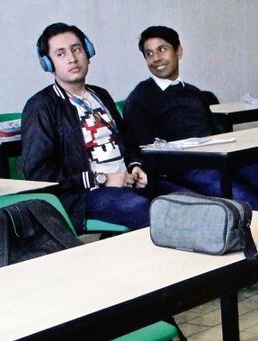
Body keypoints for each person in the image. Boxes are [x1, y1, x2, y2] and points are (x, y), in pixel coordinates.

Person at [124, 26, 258, 301]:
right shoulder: (140, 98)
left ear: (178, 51)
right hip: (184, 170)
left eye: (162, 49)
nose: (156, 58)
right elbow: (144, 150)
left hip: (222, 160)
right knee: (248, 202)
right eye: (149, 53)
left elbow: (213, 133)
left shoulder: (195, 94)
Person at [23, 23, 164, 232]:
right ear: (48, 63)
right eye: (60, 54)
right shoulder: (41, 107)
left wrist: (136, 166)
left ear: (88, 53)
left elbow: (128, 140)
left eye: (77, 49)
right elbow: (38, 173)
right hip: (84, 194)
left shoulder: (101, 95)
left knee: (182, 199)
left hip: (127, 182)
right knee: (149, 210)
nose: (72, 58)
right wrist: (102, 178)